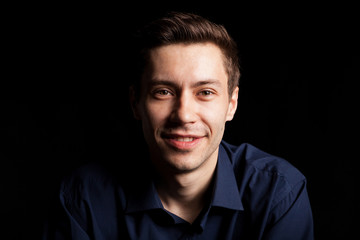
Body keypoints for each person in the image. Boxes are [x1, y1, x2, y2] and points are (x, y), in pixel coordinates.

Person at [43, 11, 314, 239]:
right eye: (163, 91)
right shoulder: (83, 199)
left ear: (231, 104)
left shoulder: (278, 193)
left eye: (205, 92)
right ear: (135, 103)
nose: (184, 115)